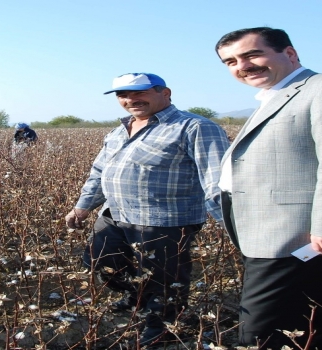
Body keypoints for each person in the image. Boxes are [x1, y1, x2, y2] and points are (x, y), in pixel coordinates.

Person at [215, 27, 322, 349]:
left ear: (289, 54)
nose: (242, 65)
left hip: (299, 234)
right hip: (267, 228)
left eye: (252, 54)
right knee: (306, 309)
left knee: (260, 329)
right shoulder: (276, 95)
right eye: (231, 61)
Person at [64, 72, 229, 346]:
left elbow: (217, 180)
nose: (131, 100)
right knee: (99, 262)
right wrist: (82, 208)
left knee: (164, 281)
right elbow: (100, 173)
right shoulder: (120, 130)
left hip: (164, 220)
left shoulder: (195, 127)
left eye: (140, 92)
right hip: (114, 214)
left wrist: (232, 224)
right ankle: (135, 297)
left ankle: (161, 328)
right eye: (123, 95)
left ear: (165, 93)